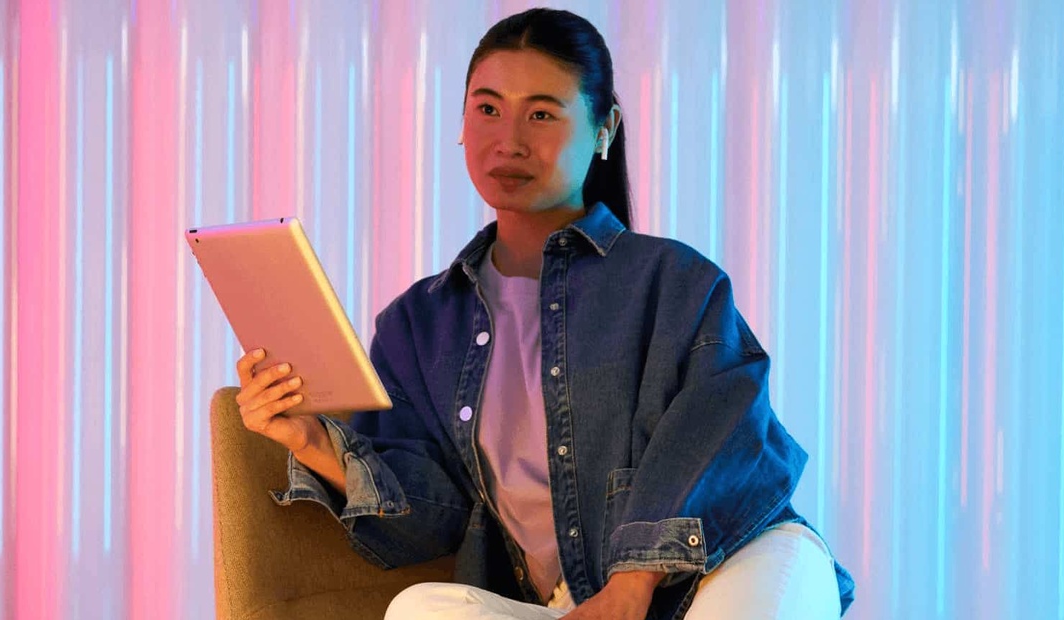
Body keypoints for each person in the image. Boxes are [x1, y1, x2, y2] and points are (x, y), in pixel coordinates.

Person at [232, 7, 855, 619]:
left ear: (604, 128)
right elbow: (433, 522)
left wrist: (632, 585)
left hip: (733, 566)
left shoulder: (674, 281)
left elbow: (719, 430)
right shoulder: (415, 326)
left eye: (541, 114)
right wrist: (310, 440)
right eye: (487, 109)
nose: (509, 140)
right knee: (419, 608)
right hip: (578, 606)